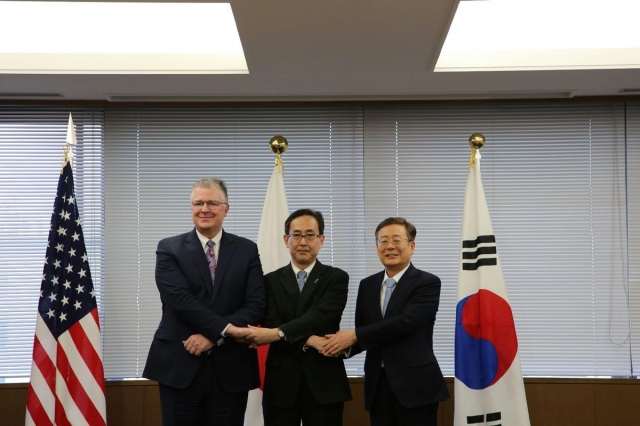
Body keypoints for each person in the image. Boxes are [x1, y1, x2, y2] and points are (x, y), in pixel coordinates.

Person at [143, 178, 266, 426]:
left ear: (226, 209)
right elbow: (180, 301)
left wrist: (215, 336)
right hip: (179, 364)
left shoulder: (247, 250)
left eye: (212, 202)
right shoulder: (169, 248)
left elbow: (256, 305)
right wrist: (227, 329)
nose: (204, 209)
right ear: (191, 207)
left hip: (230, 368)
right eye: (198, 203)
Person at [323, 217, 449, 426]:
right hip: (377, 386)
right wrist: (334, 346)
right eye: (383, 241)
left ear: (412, 246)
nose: (389, 246)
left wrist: (353, 335)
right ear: (377, 246)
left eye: (396, 240)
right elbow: (365, 332)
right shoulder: (367, 285)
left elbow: (405, 323)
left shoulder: (427, 282)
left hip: (416, 386)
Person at [245, 208, 352, 426]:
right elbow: (270, 323)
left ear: (321, 240)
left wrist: (279, 333)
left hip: (324, 380)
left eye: (310, 235)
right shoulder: (269, 281)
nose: (303, 241)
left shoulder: (336, 278)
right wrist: (310, 340)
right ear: (286, 239)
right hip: (281, 383)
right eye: (297, 235)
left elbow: (322, 316)